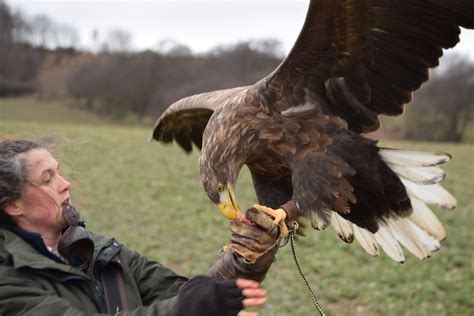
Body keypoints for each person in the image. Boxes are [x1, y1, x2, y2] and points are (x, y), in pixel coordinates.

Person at [0, 138, 281, 315]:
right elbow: (184, 306)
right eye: (48, 179)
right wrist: (187, 308)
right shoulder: (9, 282)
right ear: (13, 205)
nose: (65, 184)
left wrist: (244, 260)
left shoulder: (98, 249)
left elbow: (182, 293)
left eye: (59, 172)